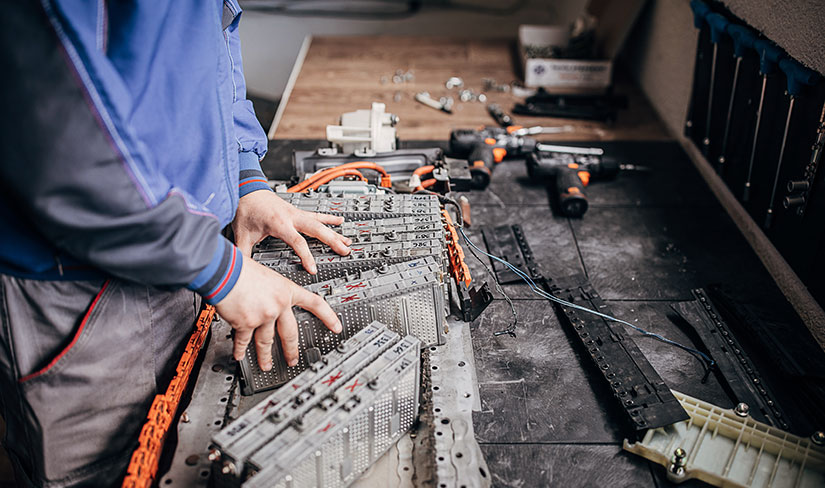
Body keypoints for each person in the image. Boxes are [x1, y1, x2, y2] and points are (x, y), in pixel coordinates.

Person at [0, 1, 349, 486]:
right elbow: (60, 140)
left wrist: (246, 180)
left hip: (185, 252)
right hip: (82, 290)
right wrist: (215, 267)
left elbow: (211, 42)